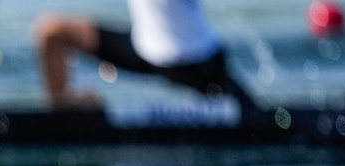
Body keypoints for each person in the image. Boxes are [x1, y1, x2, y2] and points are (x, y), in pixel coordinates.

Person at [32, 0, 255, 109]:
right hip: (144, 48)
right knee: (52, 33)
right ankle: (63, 108)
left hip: (195, 59)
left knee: (253, 115)